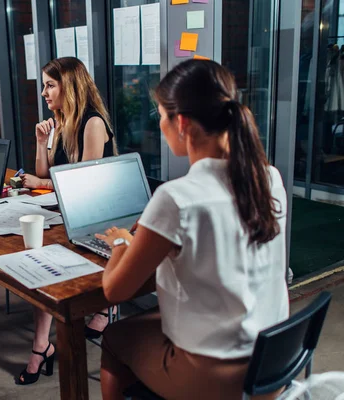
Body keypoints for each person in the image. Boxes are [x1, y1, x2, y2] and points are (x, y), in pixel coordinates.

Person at [97, 59, 289, 400]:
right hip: (273, 362)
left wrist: (122, 243)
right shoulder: (268, 177)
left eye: (160, 115)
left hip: (218, 377)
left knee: (114, 337)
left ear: (181, 122)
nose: (159, 124)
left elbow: (114, 290)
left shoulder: (175, 198)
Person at [16, 57, 118, 385]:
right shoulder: (61, 120)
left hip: (100, 216)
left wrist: (39, 184)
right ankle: (41, 344)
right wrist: (40, 140)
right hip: (69, 209)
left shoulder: (92, 123)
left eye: (50, 85)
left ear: (69, 86)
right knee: (37, 255)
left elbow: (82, 183)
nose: (44, 92)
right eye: (43, 85)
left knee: (43, 255)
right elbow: (44, 171)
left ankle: (99, 312)